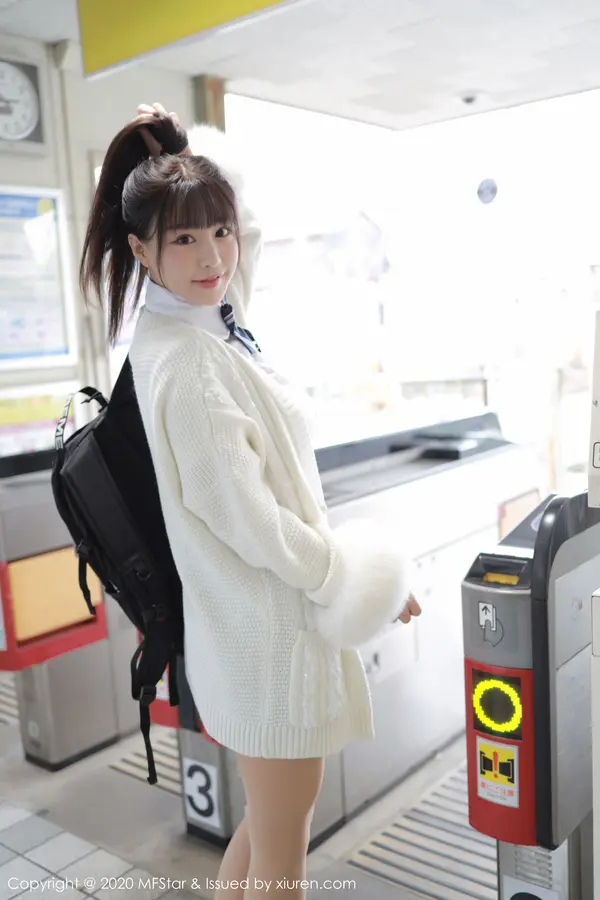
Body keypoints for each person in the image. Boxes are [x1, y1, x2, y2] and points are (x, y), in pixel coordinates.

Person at [80, 101, 421, 900]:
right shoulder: (191, 360)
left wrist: (189, 154)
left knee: (265, 837)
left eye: (220, 231)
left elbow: (245, 240)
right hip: (269, 644)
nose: (213, 256)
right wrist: (348, 580)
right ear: (140, 250)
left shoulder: (202, 324)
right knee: (281, 865)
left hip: (252, 638)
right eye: (184, 239)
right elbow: (251, 522)